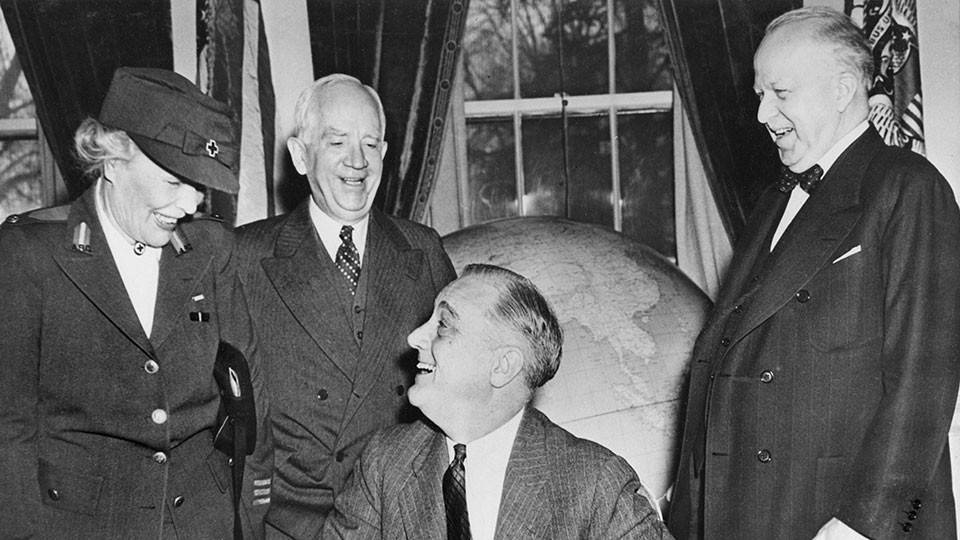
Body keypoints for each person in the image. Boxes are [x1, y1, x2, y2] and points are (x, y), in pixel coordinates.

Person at [667, 7, 960, 540]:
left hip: (837, 519)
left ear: (844, 88)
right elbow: (725, 355)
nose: (762, 115)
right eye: (760, 95)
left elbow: (926, 378)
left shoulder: (908, 187)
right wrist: (692, 490)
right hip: (746, 509)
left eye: (780, 93)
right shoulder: (770, 203)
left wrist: (865, 526)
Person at [0, 67, 264, 538]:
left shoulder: (211, 250)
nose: (189, 204)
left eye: (200, 188)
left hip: (204, 522)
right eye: (173, 182)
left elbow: (250, 396)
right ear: (112, 160)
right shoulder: (30, 255)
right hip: (81, 525)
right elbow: (9, 429)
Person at [234, 73, 456, 538]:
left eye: (371, 144)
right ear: (300, 155)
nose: (357, 161)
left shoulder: (424, 251)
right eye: (337, 142)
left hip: (401, 522)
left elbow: (464, 394)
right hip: (290, 527)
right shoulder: (246, 258)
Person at [323, 264, 672, 539]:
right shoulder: (387, 461)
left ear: (502, 366)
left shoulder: (594, 483)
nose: (415, 337)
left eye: (443, 326)